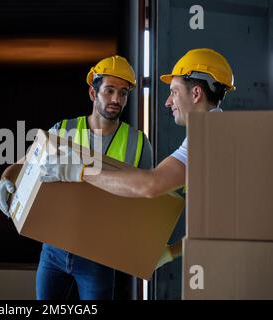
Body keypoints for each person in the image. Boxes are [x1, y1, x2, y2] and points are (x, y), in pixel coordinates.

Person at [39, 48, 236, 268]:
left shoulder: (206, 138)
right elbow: (214, 225)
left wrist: (79, 172)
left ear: (196, 93)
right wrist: (170, 253)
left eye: (174, 92)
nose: (168, 102)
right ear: (93, 94)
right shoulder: (213, 133)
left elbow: (150, 186)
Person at [0, 55, 153, 299]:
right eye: (109, 90)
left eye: (123, 93)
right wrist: (4, 181)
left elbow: (146, 202)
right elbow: (23, 164)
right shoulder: (63, 130)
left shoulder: (139, 143)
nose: (116, 99)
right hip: (53, 250)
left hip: (98, 256)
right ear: (93, 93)